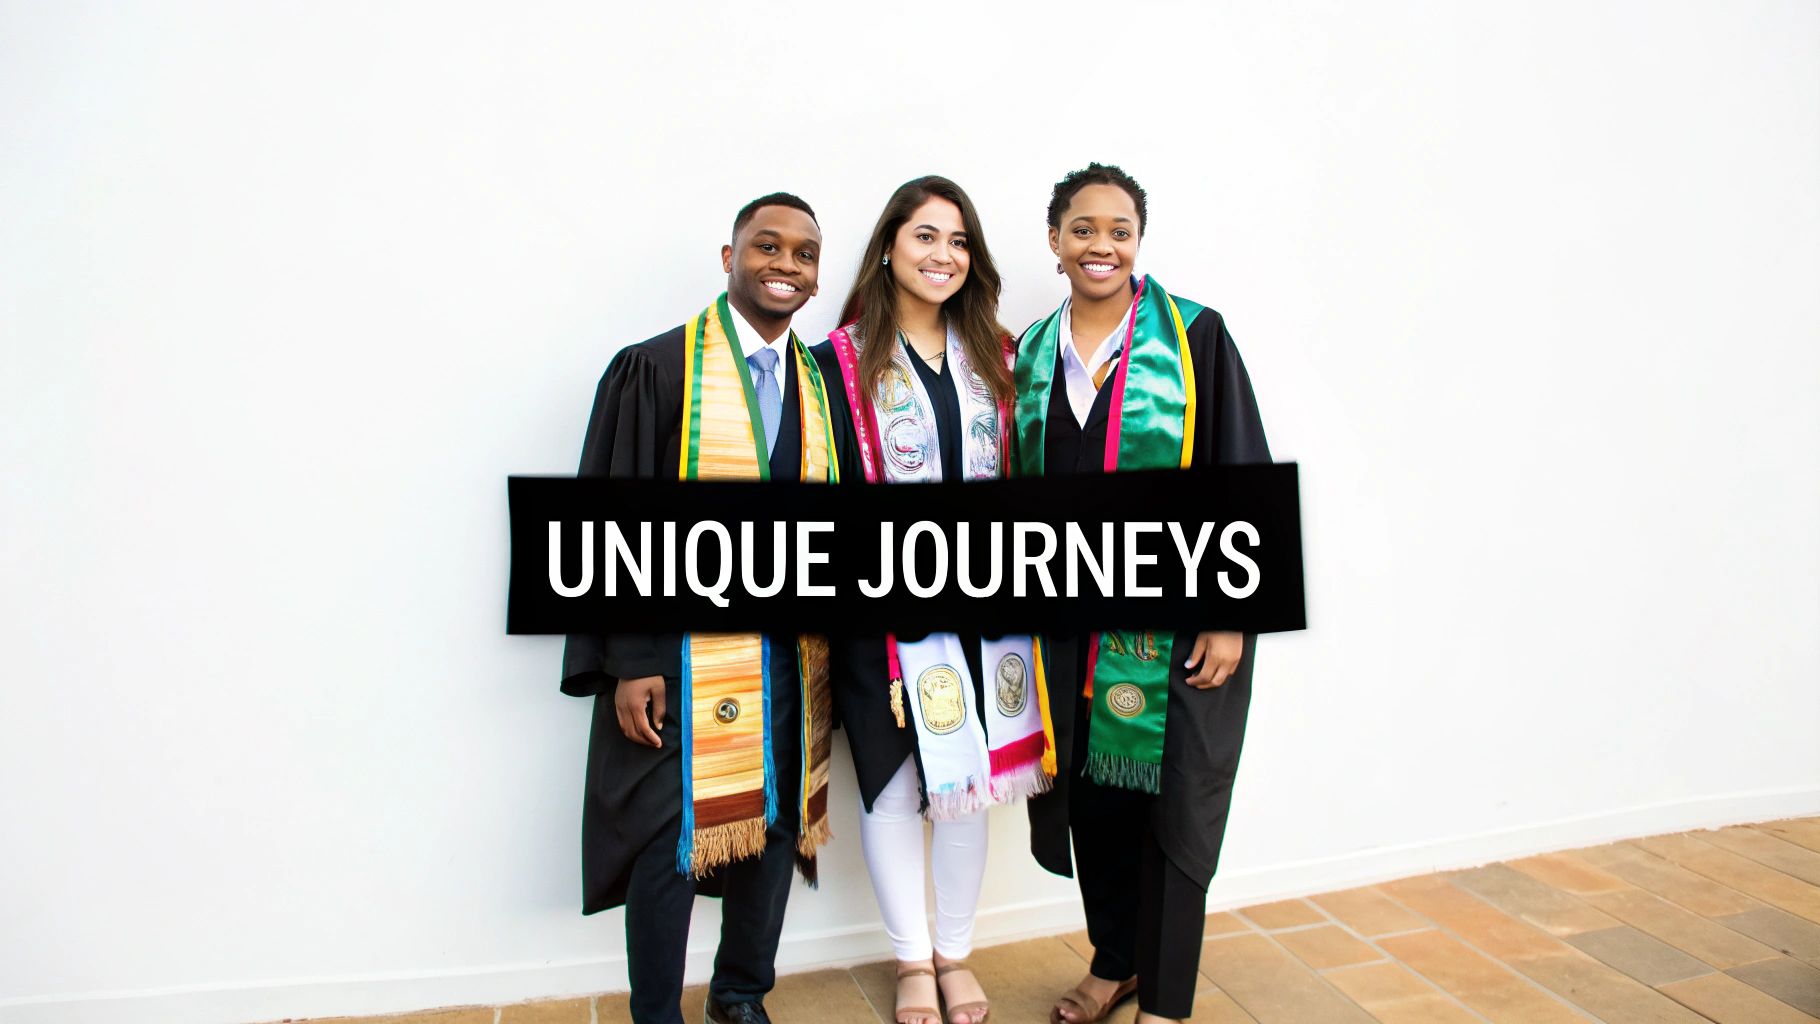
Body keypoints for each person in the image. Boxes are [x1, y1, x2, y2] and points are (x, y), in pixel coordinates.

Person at [560, 193, 854, 1024]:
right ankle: (656, 1012)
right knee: (672, 842)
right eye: (767, 246)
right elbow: (612, 526)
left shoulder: (820, 385)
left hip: (791, 654)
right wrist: (632, 659)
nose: (785, 265)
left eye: (804, 253)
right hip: (684, 653)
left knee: (772, 826)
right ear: (728, 258)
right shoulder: (657, 370)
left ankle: (740, 993)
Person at [1016, 164, 1271, 1024]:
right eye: (1083, 228)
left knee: (1171, 815)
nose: (1102, 245)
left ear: (1138, 242)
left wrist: (1232, 615)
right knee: (1096, 807)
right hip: (1068, 633)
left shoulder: (1195, 337)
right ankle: (1115, 960)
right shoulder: (1029, 355)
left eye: (1120, 230)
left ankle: (1163, 1001)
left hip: (1177, 629)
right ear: (1055, 241)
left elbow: (1242, 475)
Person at [811, 175, 1056, 1024]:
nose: (942, 255)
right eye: (925, 237)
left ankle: (955, 951)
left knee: (968, 780)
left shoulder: (1001, 356)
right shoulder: (835, 366)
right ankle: (911, 959)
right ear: (888, 246)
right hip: (883, 608)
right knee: (893, 782)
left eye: (957, 241)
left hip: (986, 604)